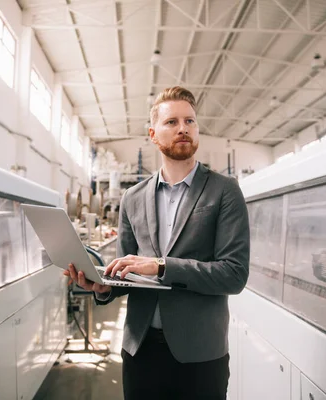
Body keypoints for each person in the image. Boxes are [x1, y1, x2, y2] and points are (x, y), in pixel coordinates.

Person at [65, 86, 250, 400]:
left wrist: (161, 266)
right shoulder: (133, 198)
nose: (183, 128)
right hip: (140, 349)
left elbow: (233, 274)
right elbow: (127, 273)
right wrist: (104, 286)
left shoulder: (224, 191)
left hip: (200, 353)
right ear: (153, 134)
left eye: (190, 121)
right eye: (172, 122)